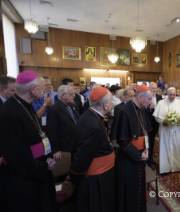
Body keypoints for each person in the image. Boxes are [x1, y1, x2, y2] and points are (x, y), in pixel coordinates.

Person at [0, 71, 57, 211]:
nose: (44, 91)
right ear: (33, 89)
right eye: (42, 88)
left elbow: (38, 134)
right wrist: (43, 166)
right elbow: (16, 154)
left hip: (37, 170)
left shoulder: (26, 105)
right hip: (24, 178)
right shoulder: (9, 112)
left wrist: (48, 157)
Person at [66, 87, 116, 212]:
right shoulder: (93, 124)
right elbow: (82, 156)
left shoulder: (90, 115)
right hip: (95, 178)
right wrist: (73, 176)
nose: (112, 103)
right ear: (105, 104)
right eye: (111, 101)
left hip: (99, 174)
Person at [111, 84, 152, 212]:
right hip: (129, 159)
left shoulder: (141, 109)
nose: (151, 103)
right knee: (129, 190)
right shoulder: (125, 111)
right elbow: (122, 141)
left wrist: (147, 149)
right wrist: (139, 155)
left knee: (138, 188)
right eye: (149, 99)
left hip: (140, 155)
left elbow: (145, 132)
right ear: (140, 97)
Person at [153, 87, 180, 177]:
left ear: (176, 94)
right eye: (170, 95)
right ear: (167, 94)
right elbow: (157, 117)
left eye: (174, 95)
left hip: (176, 130)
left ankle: (175, 167)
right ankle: (164, 168)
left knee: (175, 147)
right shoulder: (161, 103)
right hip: (165, 129)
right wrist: (163, 121)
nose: (172, 96)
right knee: (164, 148)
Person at [46, 85, 79, 161]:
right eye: (71, 94)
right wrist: (55, 149)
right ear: (63, 95)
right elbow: (51, 132)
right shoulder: (54, 109)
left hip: (75, 145)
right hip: (64, 147)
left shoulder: (72, 105)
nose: (74, 96)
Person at [145, 82, 162, 168]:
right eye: (152, 88)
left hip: (156, 123)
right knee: (148, 142)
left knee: (153, 142)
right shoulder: (146, 97)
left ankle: (150, 157)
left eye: (155, 88)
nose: (154, 90)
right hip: (148, 122)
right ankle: (147, 160)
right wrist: (149, 108)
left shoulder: (159, 97)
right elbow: (142, 110)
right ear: (149, 88)